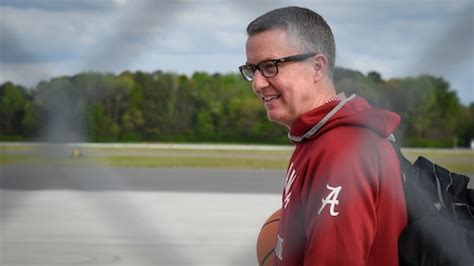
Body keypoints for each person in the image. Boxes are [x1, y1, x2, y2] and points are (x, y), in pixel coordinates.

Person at [239, 6, 407, 265]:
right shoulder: (316, 138)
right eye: (252, 70)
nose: (257, 83)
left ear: (317, 67)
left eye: (270, 66)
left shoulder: (343, 153)